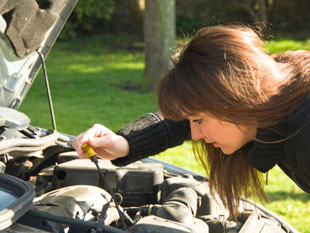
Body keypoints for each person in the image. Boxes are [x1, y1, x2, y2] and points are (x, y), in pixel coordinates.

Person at [73, 25, 310, 220]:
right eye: (192, 121)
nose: (194, 135)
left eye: (199, 120)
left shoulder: (304, 131)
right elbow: (180, 122)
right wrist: (124, 143)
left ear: (234, 98)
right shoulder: (275, 84)